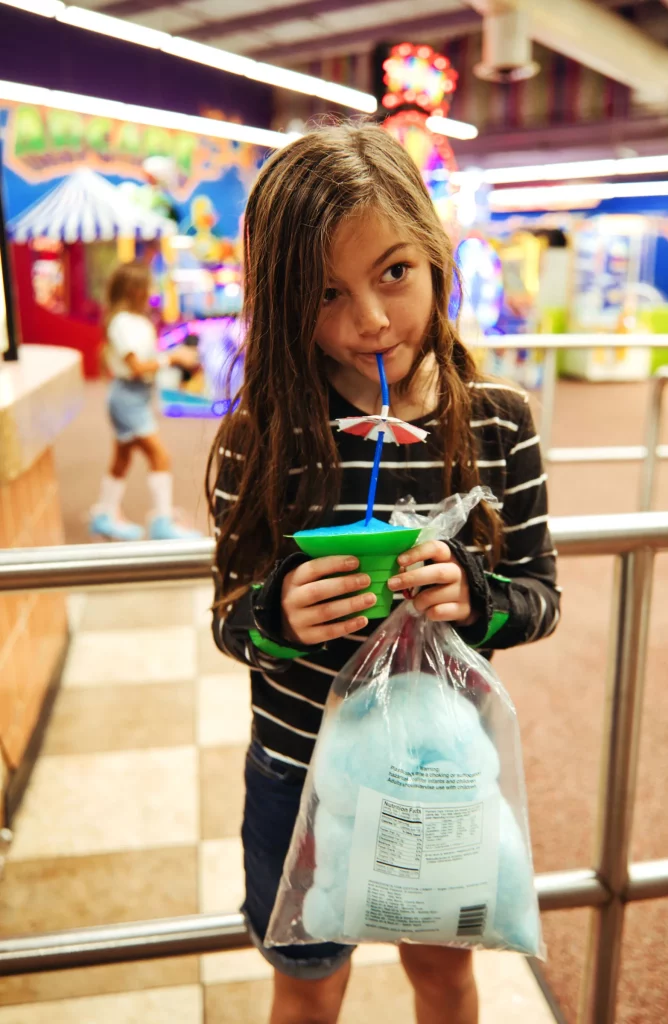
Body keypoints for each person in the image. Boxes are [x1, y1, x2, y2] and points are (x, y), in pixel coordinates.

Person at [207, 123, 561, 1024]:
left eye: (393, 273)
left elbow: (539, 599)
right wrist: (277, 613)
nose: (368, 319)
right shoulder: (259, 437)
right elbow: (226, 621)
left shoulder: (498, 422)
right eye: (325, 293)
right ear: (280, 300)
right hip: (298, 768)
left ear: (436, 255)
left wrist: (472, 600)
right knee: (307, 984)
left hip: (438, 772)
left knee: (443, 977)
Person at [90, 260, 202, 542]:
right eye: (146, 285)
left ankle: (105, 513)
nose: (151, 290)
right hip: (127, 397)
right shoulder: (122, 323)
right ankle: (162, 521)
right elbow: (138, 366)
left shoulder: (135, 321)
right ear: (134, 289)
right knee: (160, 457)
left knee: (122, 458)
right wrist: (173, 357)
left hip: (135, 395)